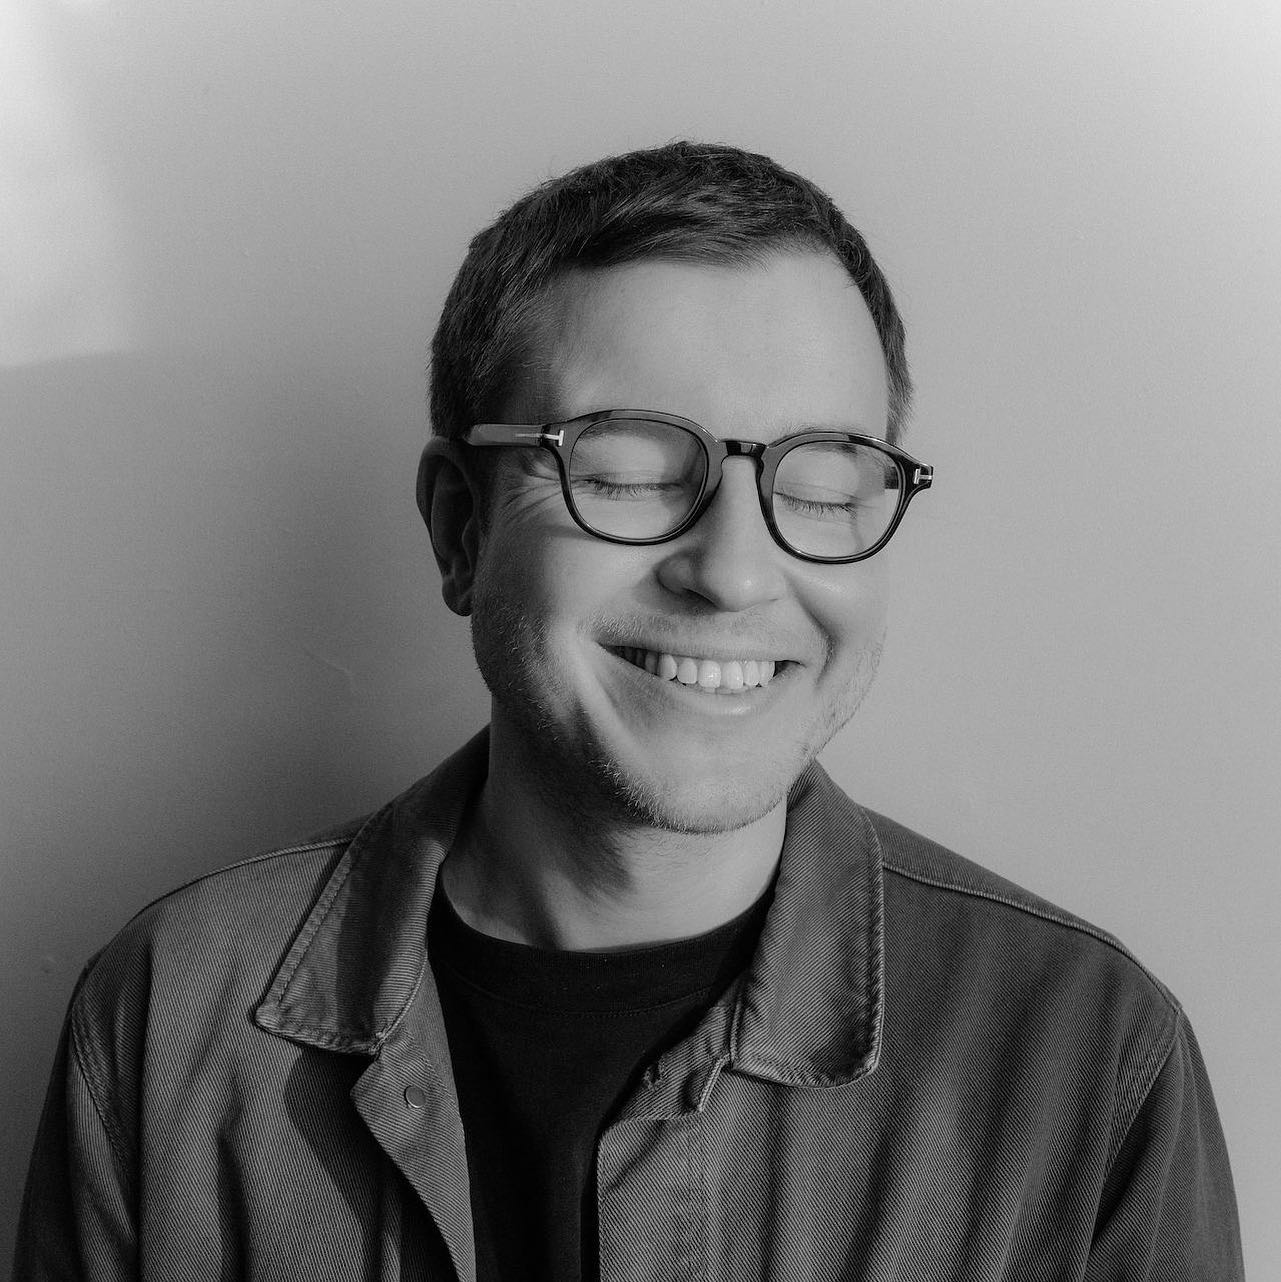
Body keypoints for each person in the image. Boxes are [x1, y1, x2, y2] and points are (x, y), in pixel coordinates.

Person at [14, 141, 1244, 1281]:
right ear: (460, 529)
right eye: (628, 472)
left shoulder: (1090, 1063)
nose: (736, 572)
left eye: (823, 485)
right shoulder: (170, 1017)